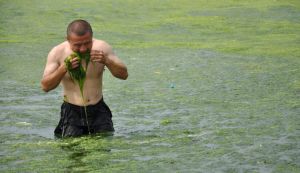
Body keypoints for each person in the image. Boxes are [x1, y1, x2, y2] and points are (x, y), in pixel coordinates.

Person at [41, 19, 128, 137]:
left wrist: (107, 61)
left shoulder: (102, 48)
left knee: (103, 150)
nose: (83, 49)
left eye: (87, 43)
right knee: (73, 151)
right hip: (72, 112)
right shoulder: (57, 52)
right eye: (77, 45)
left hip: (99, 111)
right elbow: (45, 86)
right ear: (68, 40)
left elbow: (124, 75)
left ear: (92, 37)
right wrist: (63, 68)